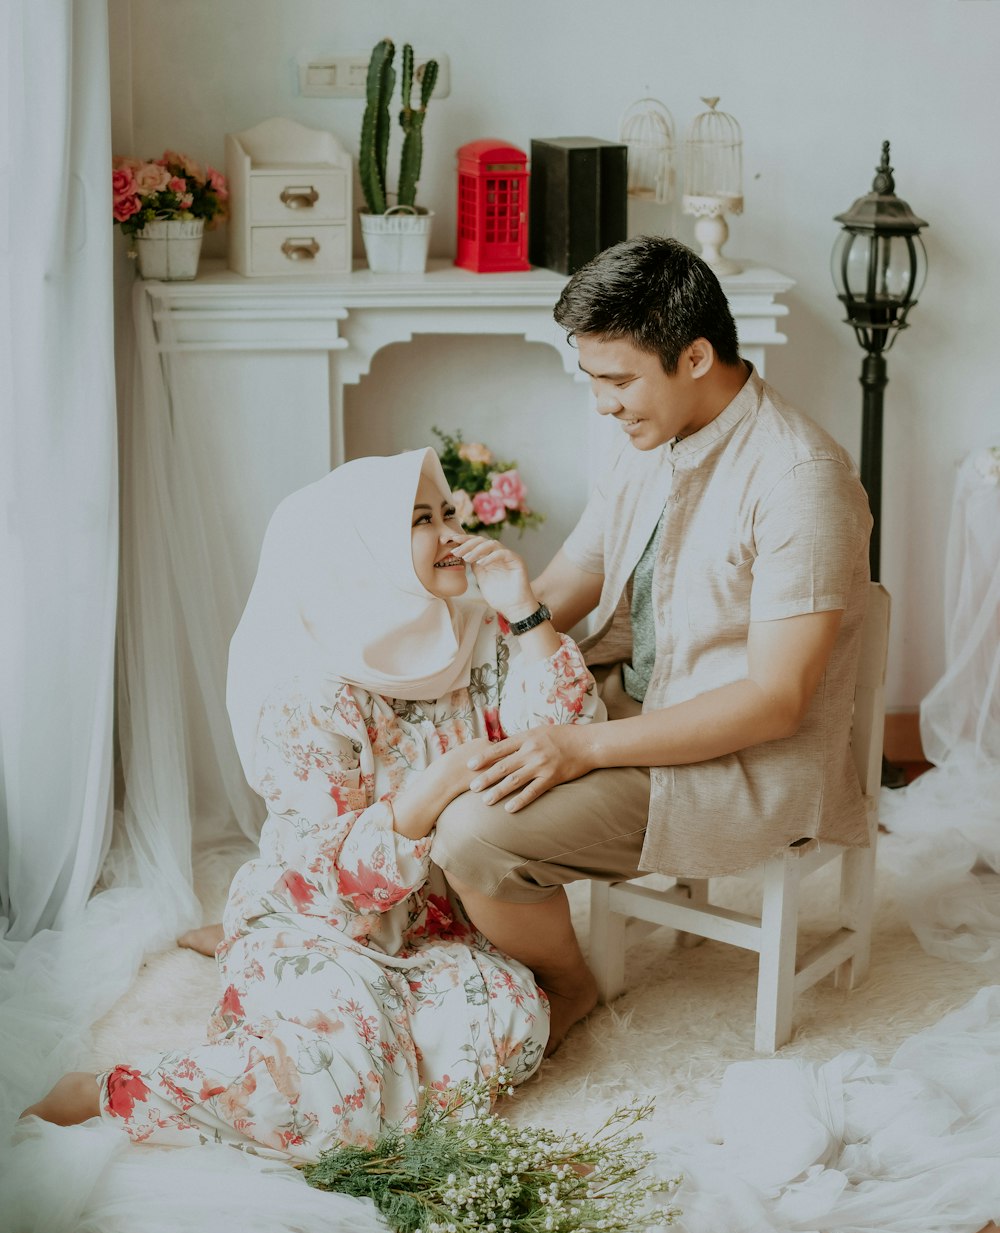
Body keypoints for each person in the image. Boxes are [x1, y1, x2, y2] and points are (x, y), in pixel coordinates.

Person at [21, 448, 605, 1159]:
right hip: (326, 923)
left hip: (443, 932)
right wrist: (435, 785)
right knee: (337, 1092)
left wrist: (522, 605)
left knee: (504, 1029)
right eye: (421, 519)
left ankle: (239, 953)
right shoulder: (309, 694)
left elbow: (575, 739)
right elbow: (329, 881)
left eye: (448, 511)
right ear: (361, 550)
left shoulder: (483, 635)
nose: (450, 530)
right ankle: (108, 1091)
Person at [431, 235, 876, 1053]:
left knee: (472, 833)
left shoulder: (800, 479)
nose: (603, 403)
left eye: (618, 379)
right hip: (619, 708)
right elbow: (571, 586)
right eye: (592, 379)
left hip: (732, 760)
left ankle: (568, 987)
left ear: (696, 355)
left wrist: (581, 746)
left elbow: (775, 703)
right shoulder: (646, 441)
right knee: (419, 734)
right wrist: (447, 631)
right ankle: (307, 919)